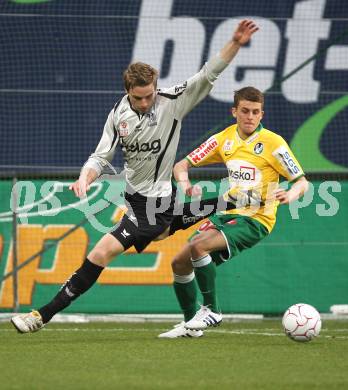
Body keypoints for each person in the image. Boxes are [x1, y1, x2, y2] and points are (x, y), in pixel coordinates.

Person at [11, 20, 259, 334]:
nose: (145, 103)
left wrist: (235, 43)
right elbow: (101, 156)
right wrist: (86, 178)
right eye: (139, 97)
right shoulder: (118, 114)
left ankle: (39, 316)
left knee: (102, 252)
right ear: (128, 90)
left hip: (155, 204)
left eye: (149, 96)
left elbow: (209, 73)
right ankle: (230, 200)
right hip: (137, 203)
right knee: (163, 232)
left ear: (156, 88)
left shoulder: (172, 101)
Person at [159, 86, 309, 338]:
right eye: (245, 111)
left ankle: (212, 311)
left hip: (255, 219)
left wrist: (290, 195)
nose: (250, 116)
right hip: (227, 212)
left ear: (262, 114)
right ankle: (189, 326)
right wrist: (185, 184)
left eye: (256, 112)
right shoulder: (224, 139)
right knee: (179, 262)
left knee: (199, 247)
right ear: (234, 112)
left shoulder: (274, 143)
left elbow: (302, 182)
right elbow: (181, 165)